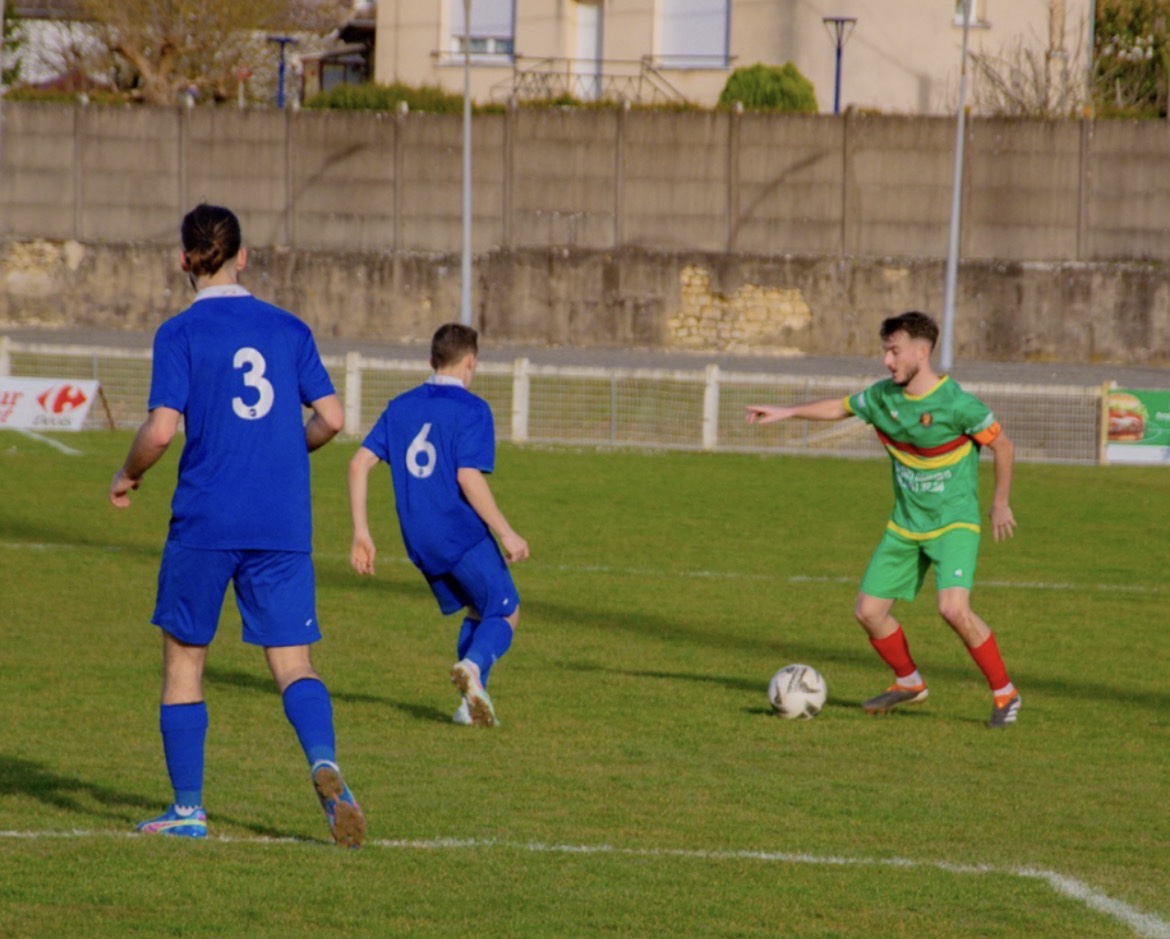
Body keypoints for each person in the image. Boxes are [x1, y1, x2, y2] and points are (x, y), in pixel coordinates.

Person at [109, 203, 366, 845]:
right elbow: (333, 418)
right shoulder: (288, 329)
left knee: (184, 660)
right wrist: (285, 446)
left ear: (183, 260)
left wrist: (128, 472)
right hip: (281, 521)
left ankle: (188, 812)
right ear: (243, 255)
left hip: (206, 518)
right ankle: (326, 765)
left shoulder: (179, 334)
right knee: (294, 663)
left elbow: (162, 430)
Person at [746, 311, 1021, 729]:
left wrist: (1000, 503)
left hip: (954, 523)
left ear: (921, 352)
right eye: (885, 351)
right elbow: (839, 408)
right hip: (905, 524)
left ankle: (1006, 694)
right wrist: (786, 412)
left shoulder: (957, 404)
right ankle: (909, 683)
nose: (887, 361)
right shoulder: (882, 397)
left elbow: (1003, 446)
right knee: (869, 611)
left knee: (953, 609)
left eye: (894, 351)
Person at [348, 323, 529, 728]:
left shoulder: (400, 406)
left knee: (479, 609)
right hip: (458, 530)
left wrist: (362, 531)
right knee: (506, 610)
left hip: (418, 539)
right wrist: (506, 532)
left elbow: (358, 464)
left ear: (431, 361)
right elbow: (468, 476)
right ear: (470, 362)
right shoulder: (472, 409)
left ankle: (470, 706)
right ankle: (473, 666)